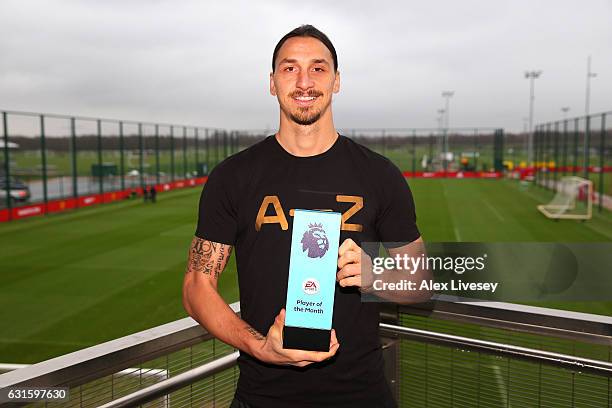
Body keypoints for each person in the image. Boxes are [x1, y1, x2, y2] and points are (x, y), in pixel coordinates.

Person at [183, 25, 429, 408]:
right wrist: (259, 346)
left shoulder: (379, 175)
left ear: (336, 81)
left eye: (317, 68)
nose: (304, 81)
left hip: (360, 396)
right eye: (289, 68)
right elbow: (197, 285)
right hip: (262, 396)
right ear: (271, 82)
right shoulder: (234, 176)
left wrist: (374, 277)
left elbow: (420, 281)